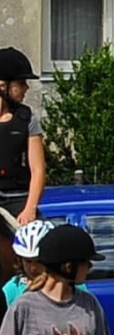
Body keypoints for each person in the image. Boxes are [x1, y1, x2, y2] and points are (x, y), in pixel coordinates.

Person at [0, 47, 45, 226]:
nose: (26, 87)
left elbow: (38, 170)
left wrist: (30, 208)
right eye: (21, 83)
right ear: (3, 86)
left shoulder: (28, 119)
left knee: (44, 242)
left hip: (18, 200)